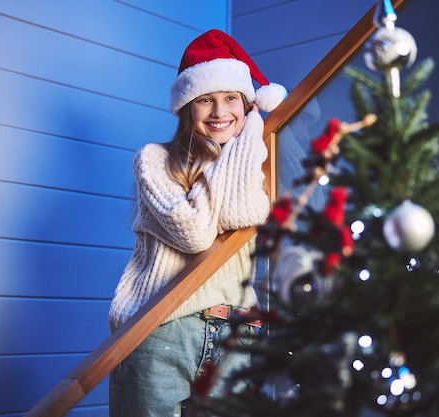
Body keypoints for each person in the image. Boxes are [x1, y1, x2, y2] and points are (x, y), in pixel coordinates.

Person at [108, 29, 286, 416]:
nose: (220, 112)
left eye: (232, 99)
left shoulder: (257, 159)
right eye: (206, 100)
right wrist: (243, 139)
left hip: (237, 331)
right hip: (162, 327)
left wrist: (249, 135)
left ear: (247, 103)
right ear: (187, 106)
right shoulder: (154, 159)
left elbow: (245, 211)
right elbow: (194, 232)